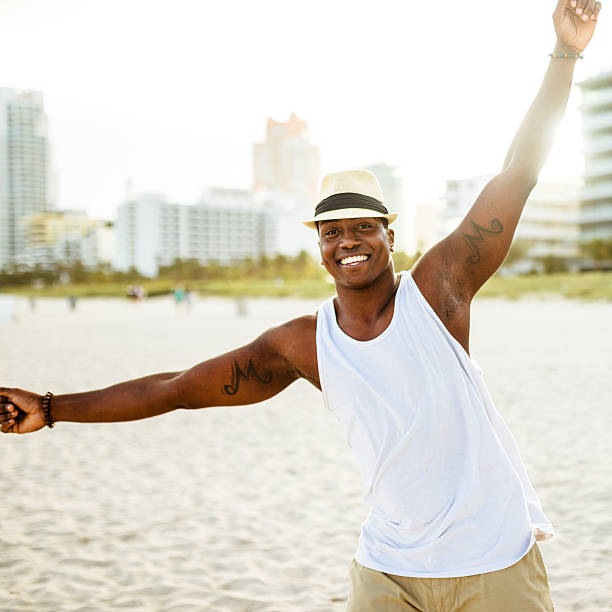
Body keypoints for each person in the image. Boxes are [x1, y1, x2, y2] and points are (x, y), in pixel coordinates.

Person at [0, 1, 602, 609]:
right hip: (388, 570)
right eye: (331, 231)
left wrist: (565, 54)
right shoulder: (303, 345)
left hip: (492, 561)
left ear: (389, 236)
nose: (348, 241)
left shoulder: (438, 292)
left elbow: (518, 172)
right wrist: (52, 408)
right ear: (318, 246)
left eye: (363, 227)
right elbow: (176, 389)